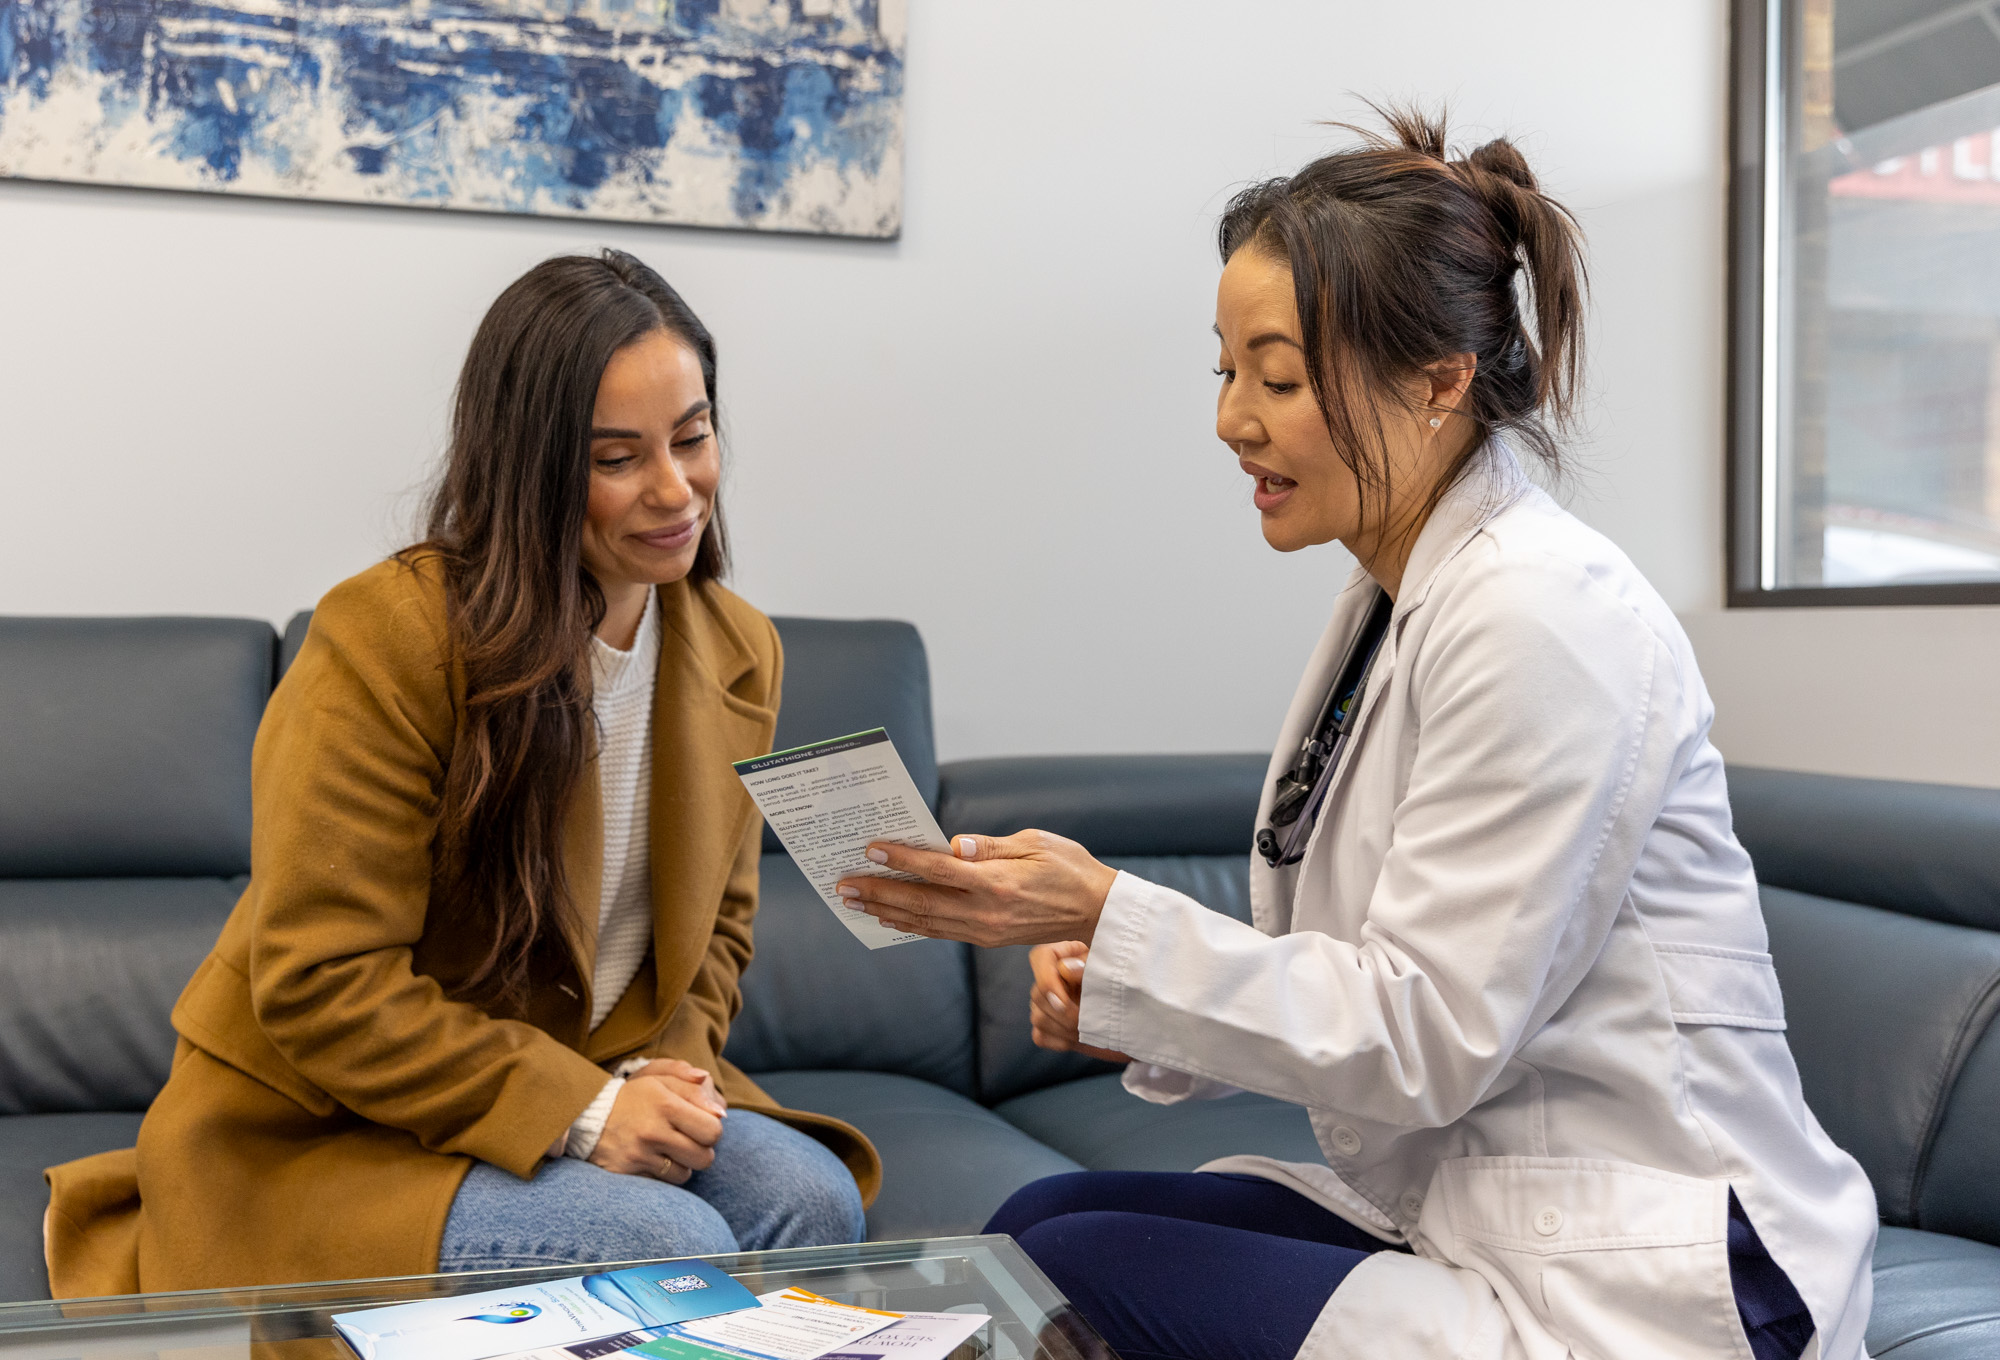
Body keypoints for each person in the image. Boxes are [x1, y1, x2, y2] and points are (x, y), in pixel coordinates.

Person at [835, 111, 1877, 1360]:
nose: (1232, 421)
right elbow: (1357, 963)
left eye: (1275, 378)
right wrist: (1126, 1000)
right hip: (1485, 1211)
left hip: (1675, 1277)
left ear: (1440, 378)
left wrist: (1114, 916)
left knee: (1059, 1265)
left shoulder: (1542, 615)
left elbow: (1423, 1032)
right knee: (1038, 1224)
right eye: (1223, 372)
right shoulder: (1395, 599)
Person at [44, 249, 875, 1296]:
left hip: (581, 1082)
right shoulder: (388, 637)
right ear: (528, 465)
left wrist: (662, 1080)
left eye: (693, 436)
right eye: (616, 458)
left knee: (813, 1200)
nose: (676, 488)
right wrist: (580, 1113)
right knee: (670, 1242)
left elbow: (718, 934)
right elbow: (319, 980)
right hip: (342, 1128)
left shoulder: (740, 646)